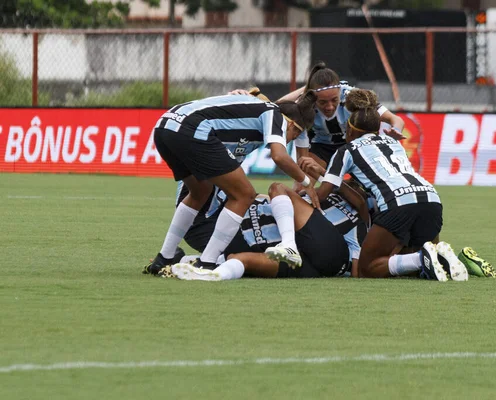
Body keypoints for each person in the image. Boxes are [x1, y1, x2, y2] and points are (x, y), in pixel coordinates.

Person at [143, 91, 319, 275]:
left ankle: (164, 258)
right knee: (244, 195)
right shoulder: (274, 114)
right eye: (295, 133)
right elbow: (279, 156)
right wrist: (306, 181)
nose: (290, 139)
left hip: (165, 126)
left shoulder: (257, 110)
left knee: (200, 191)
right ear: (291, 124)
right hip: (193, 129)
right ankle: (207, 263)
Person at [307, 88, 469, 281]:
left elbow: (323, 193)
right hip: (431, 198)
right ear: (377, 130)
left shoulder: (346, 150)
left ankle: (422, 257)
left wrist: (304, 191)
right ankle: (442, 257)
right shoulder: (393, 142)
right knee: (410, 259)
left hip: (398, 202)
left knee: (368, 268)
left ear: (349, 130)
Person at [169, 181, 367, 280]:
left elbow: (358, 266)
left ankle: (288, 246)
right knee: (240, 259)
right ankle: (211, 274)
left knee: (279, 188)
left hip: (328, 255)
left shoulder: (360, 221)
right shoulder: (314, 199)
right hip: (308, 266)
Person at [278, 62, 407, 168]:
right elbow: (277, 105)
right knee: (303, 179)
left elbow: (395, 119)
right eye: (322, 102)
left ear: (340, 90)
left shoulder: (354, 96)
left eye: (334, 100)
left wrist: (394, 131)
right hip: (320, 149)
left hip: (353, 145)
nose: (329, 107)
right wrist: (307, 88)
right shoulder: (305, 103)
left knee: (363, 190)